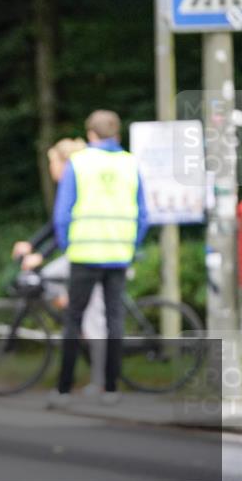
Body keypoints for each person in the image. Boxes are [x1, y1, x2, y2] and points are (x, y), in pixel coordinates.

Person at [49, 110, 148, 408]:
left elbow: (62, 213)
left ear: (91, 134)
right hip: (118, 254)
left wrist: (68, 245)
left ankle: (64, 390)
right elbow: (143, 214)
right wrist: (131, 246)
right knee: (114, 320)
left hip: (84, 253)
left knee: (73, 320)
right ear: (116, 132)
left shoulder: (79, 163)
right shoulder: (131, 163)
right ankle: (110, 388)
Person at [11, 137, 108, 396]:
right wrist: (31, 246)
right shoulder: (69, 184)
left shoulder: (79, 183)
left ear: (65, 162)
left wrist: (40, 255)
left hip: (92, 254)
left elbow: (64, 227)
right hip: (77, 255)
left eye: (52, 161)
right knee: (45, 280)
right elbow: (56, 225)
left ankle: (101, 382)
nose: (50, 167)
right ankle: (65, 300)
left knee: (94, 321)